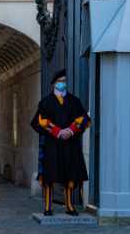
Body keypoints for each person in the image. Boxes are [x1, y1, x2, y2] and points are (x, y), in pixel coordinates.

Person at [30, 69, 90, 216]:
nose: (62, 84)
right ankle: (48, 207)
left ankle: (69, 206)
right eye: (59, 82)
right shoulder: (45, 102)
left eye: (64, 82)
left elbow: (83, 119)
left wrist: (70, 131)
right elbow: (38, 122)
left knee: (71, 177)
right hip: (52, 145)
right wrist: (57, 131)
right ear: (53, 84)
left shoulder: (75, 101)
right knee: (49, 178)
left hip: (71, 144)